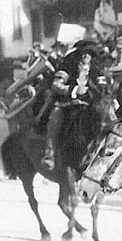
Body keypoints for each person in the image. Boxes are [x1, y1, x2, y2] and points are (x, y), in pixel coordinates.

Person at [40, 43, 105, 173]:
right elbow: (56, 85)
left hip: (89, 104)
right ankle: (50, 154)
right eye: (85, 53)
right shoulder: (68, 64)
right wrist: (75, 89)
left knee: (107, 114)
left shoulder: (95, 68)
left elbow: (101, 87)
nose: (87, 56)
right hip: (67, 102)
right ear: (79, 53)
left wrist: (104, 88)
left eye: (90, 53)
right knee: (56, 115)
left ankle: (107, 151)